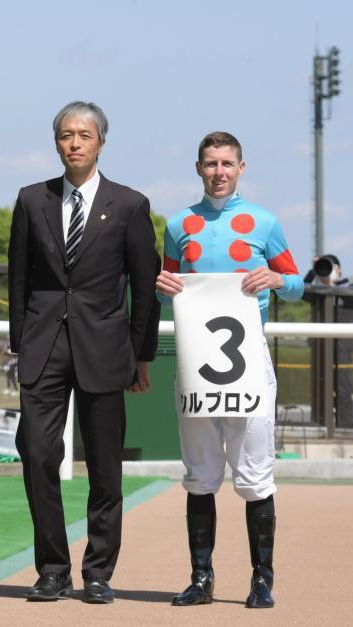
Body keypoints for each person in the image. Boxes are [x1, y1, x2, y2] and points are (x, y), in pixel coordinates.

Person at [7, 101, 160, 604]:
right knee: (36, 454)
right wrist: (20, 348)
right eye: (66, 135)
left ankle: (98, 571)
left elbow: (144, 286)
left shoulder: (131, 205)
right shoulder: (32, 201)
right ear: (57, 142)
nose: (75, 143)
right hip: (43, 348)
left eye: (84, 135)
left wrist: (142, 356)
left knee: (104, 465)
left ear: (101, 143)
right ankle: (52, 568)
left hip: (105, 348)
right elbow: (19, 279)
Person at [156, 131, 304, 609]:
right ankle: (201, 578)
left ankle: (263, 580)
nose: (218, 171)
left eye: (227, 163)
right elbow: (166, 283)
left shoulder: (264, 222)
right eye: (210, 163)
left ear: (242, 168)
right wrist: (161, 285)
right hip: (195, 362)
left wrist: (279, 278)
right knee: (200, 472)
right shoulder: (179, 225)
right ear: (198, 169)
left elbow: (298, 283)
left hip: (249, 363)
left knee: (255, 473)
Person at [302, 254, 353, 428]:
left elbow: (347, 294)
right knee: (319, 384)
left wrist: (334, 283)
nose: (327, 271)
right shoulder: (315, 290)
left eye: (329, 267)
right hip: (319, 345)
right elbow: (300, 290)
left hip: (343, 346)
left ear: (338, 270)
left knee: (343, 386)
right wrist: (314, 270)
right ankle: (318, 423)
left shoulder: (348, 287)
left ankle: (345, 426)